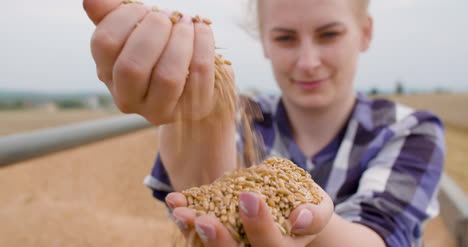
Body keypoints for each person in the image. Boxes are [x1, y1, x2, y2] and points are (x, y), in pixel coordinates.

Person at [83, 0, 445, 246]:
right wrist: (195, 108)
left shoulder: (410, 129)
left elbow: (378, 237)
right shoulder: (243, 117)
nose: (307, 61)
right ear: (265, 43)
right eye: (285, 37)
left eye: (329, 34)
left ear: (365, 32)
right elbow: (205, 185)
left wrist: (303, 218)